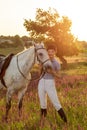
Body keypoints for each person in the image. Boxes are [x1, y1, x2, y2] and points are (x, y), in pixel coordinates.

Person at [38, 44, 67, 125]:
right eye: (49, 51)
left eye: (52, 51)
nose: (50, 53)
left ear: (55, 52)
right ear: (47, 52)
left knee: (55, 102)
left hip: (50, 82)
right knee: (42, 102)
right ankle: (43, 120)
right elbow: (39, 74)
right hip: (41, 81)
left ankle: (66, 121)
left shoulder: (56, 63)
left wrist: (52, 72)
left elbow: (59, 76)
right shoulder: (44, 61)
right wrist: (40, 68)